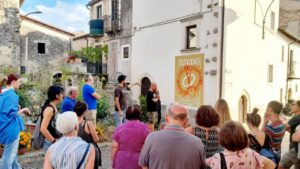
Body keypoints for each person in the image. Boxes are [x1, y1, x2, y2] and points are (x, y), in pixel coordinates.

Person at [139, 103, 207, 169]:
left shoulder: (151, 138)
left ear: (166, 118)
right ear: (186, 121)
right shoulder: (197, 143)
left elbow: (144, 165)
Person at [206, 121, 276, 169]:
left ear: (222, 139)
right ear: (244, 137)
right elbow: (272, 165)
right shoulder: (252, 154)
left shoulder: (218, 158)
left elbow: (201, 163)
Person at [0, 74, 30, 169]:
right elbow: (11, 114)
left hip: (4, 127)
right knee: (8, 157)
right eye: (19, 81)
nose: (20, 84)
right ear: (13, 82)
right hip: (11, 129)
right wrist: (23, 109)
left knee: (12, 155)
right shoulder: (12, 95)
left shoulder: (2, 93)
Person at [112, 105, 150, 169]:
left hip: (122, 160)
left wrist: (113, 160)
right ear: (139, 115)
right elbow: (148, 146)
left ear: (126, 114)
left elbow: (115, 146)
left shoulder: (120, 128)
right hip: (138, 161)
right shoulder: (145, 128)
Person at [75, 101, 102, 169]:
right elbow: (96, 139)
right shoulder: (88, 124)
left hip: (77, 151)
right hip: (89, 151)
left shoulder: (73, 124)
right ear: (85, 111)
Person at [40, 85, 64, 151]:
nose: (63, 95)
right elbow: (43, 128)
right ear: (57, 96)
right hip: (51, 142)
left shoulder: (53, 107)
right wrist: (53, 141)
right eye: (61, 93)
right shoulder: (49, 109)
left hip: (55, 139)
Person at [278, 100, 300, 169]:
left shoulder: (297, 117)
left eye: (294, 105)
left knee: (280, 167)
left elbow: (284, 127)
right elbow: (290, 130)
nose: (291, 106)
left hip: (294, 150)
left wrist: (277, 118)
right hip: (297, 150)